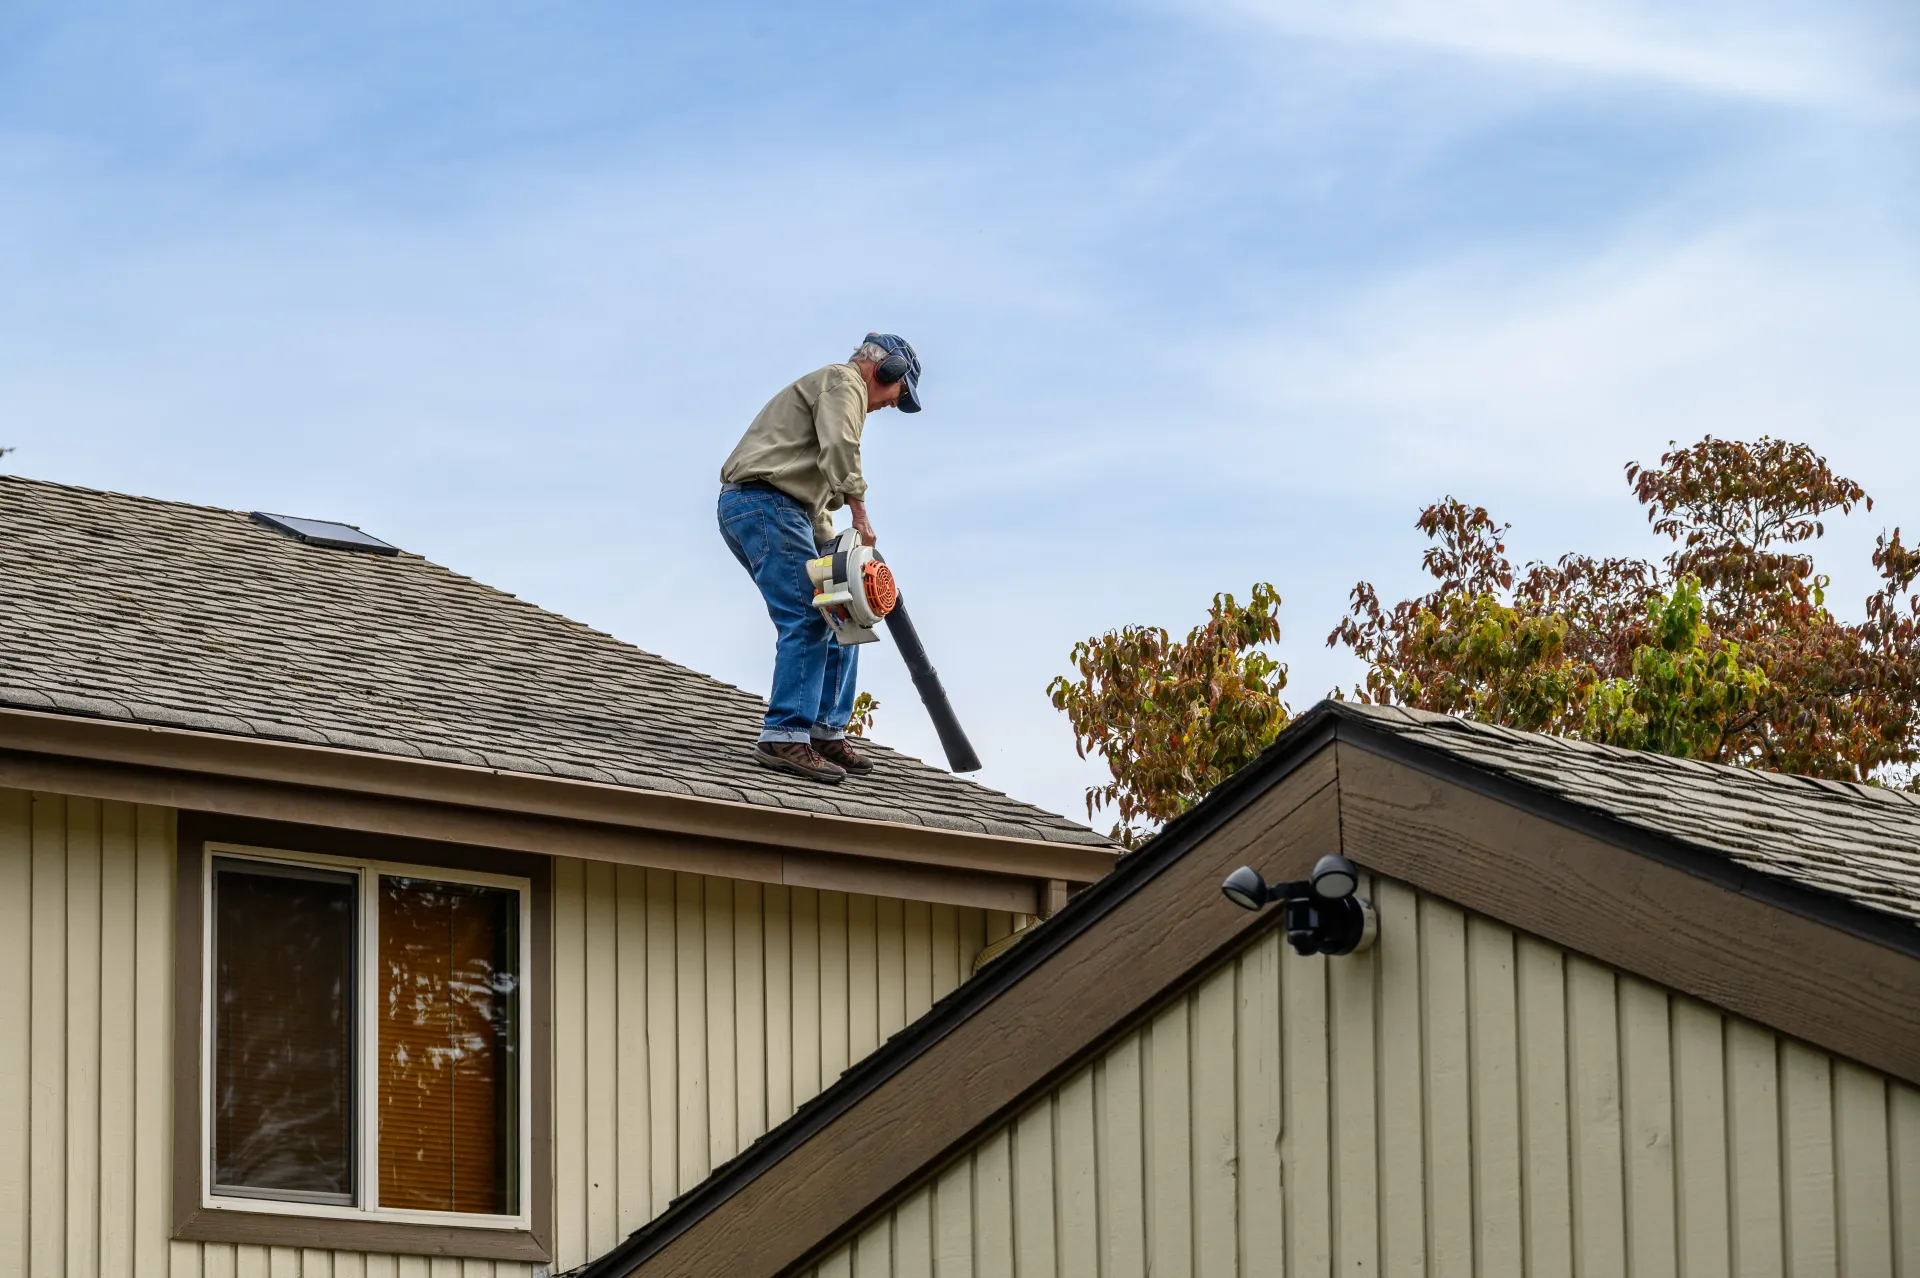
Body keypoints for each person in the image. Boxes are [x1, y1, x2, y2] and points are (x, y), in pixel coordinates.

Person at [717, 333, 922, 783]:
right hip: (765, 504)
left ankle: (825, 730)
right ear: (885, 370)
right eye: (898, 392)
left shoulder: (839, 393)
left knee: (842, 610)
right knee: (809, 618)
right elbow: (840, 449)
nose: (893, 403)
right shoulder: (842, 383)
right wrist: (861, 514)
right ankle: (783, 735)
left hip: (782, 511)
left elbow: (814, 506)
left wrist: (839, 556)